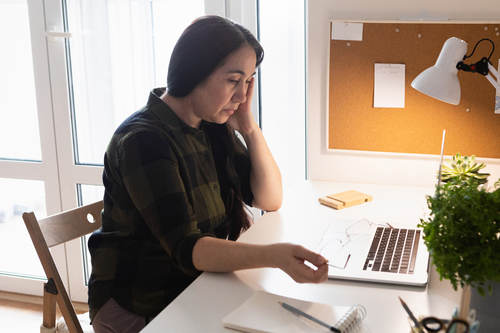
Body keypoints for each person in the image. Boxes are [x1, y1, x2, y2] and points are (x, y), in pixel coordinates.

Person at [88, 15, 329, 333]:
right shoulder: (144, 140)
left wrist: (249, 128)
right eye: (233, 80)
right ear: (193, 73)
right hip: (141, 302)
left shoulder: (211, 126)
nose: (242, 96)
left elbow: (269, 198)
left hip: (193, 287)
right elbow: (189, 248)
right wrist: (274, 256)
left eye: (248, 81)